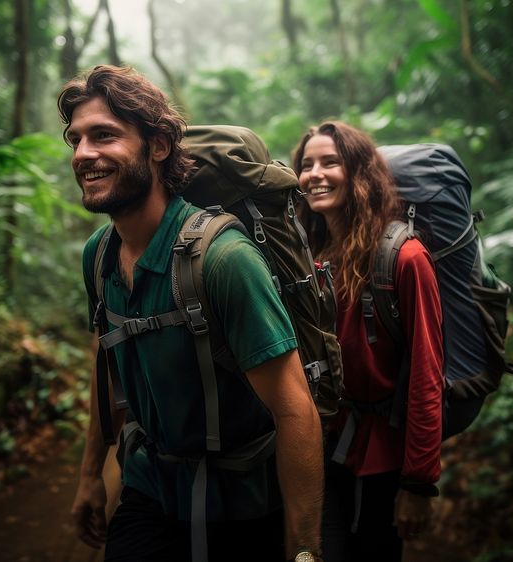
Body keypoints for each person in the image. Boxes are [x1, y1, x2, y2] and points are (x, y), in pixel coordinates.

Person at [61, 64, 324, 562]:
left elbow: (295, 411)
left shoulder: (224, 259)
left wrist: (305, 549)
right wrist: (90, 475)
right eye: (75, 139)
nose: (83, 154)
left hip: (242, 506)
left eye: (104, 136)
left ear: (158, 146)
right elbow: (109, 369)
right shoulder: (98, 256)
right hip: (149, 490)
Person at [290, 121, 444, 562]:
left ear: (359, 172)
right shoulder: (311, 256)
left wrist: (419, 482)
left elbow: (426, 376)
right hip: (321, 445)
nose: (315, 173)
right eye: (306, 165)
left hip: (384, 454)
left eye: (330, 162)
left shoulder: (404, 258)